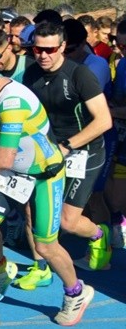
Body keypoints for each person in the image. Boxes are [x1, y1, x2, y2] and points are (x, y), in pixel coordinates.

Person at [0, 53, 93, 327]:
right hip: (13, 173)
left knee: (45, 246)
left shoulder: (12, 103)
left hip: (43, 176)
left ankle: (76, 292)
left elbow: (3, 158)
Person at [21, 21, 113, 279]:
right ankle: (40, 268)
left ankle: (99, 234)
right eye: (38, 49)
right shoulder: (31, 74)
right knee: (33, 211)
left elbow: (104, 120)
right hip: (50, 150)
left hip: (85, 151)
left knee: (67, 221)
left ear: (62, 47)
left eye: (50, 50)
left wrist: (68, 146)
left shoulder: (79, 75)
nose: (43, 55)